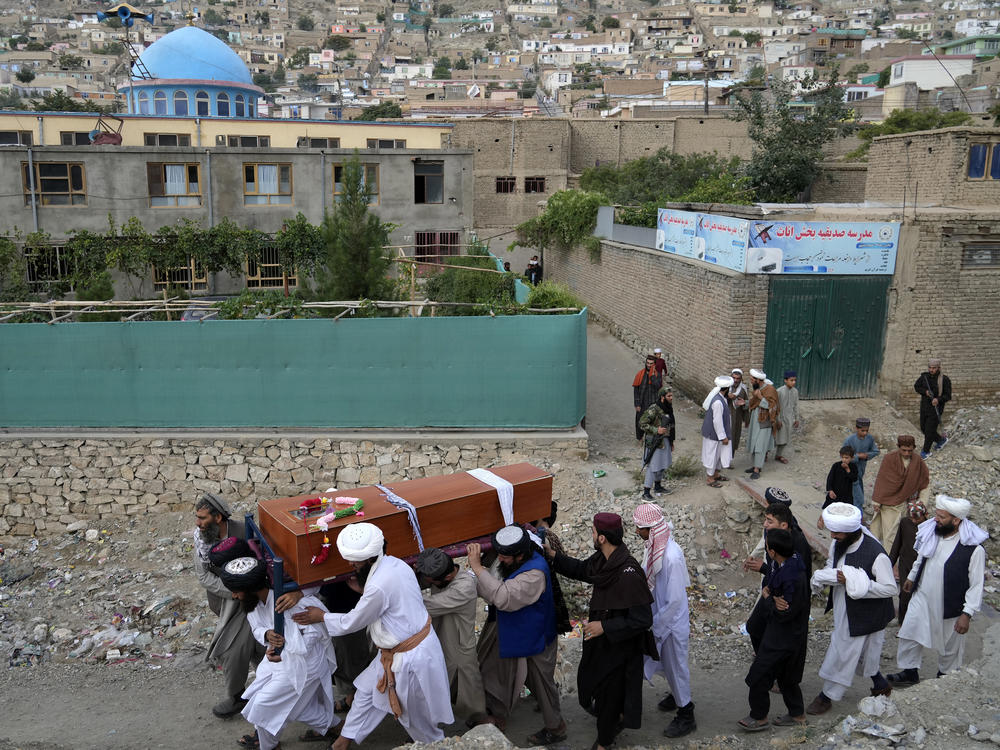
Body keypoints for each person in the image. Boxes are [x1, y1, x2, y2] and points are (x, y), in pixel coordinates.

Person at [292, 522, 453, 748]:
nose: (350, 564)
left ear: (369, 559)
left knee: (418, 722)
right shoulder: (396, 563)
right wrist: (365, 592)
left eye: (354, 561)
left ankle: (436, 745)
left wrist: (321, 617)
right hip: (398, 651)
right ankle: (343, 740)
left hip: (408, 659)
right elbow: (388, 599)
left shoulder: (378, 586)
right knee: (366, 692)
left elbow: (353, 621)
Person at [546, 513, 654, 750]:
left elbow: (642, 619)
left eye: (594, 532)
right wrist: (553, 556)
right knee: (591, 686)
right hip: (602, 642)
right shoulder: (603, 561)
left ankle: (604, 743)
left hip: (621, 648)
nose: (592, 535)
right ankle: (617, 720)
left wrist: (604, 626)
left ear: (602, 538)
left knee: (609, 695)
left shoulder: (629, 573)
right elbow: (582, 569)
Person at [193, 493, 303, 718]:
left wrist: (245, 588)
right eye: (197, 517)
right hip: (228, 603)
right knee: (245, 646)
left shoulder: (244, 532)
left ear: (218, 518)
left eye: (202, 518)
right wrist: (234, 590)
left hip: (252, 599)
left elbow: (263, 560)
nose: (198, 523)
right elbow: (204, 577)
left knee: (244, 647)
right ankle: (243, 694)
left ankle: (250, 695)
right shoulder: (201, 539)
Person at [220, 556, 339, 750]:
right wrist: (268, 635)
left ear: (250, 589)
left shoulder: (290, 601)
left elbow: (315, 634)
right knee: (299, 707)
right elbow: (257, 629)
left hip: (305, 663)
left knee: (262, 707)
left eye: (236, 592)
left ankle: (269, 746)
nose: (234, 596)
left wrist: (283, 649)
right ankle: (336, 728)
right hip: (279, 662)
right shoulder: (252, 605)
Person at [467, 525, 565, 744]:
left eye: (505, 556)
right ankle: (496, 713)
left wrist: (477, 568)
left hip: (536, 637)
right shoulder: (514, 561)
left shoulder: (534, 573)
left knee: (540, 682)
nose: (500, 560)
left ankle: (556, 727)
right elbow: (495, 586)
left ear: (520, 554)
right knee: (494, 670)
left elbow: (503, 597)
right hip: (513, 631)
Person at [806, 503, 897, 716]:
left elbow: (890, 587)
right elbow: (832, 563)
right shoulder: (839, 542)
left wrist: (859, 583)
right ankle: (880, 684)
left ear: (850, 531)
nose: (832, 535)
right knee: (865, 652)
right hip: (844, 607)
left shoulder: (876, 553)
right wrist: (827, 576)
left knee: (843, 652)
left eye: (836, 532)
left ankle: (826, 697)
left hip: (866, 613)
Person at [888, 495, 988, 685]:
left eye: (942, 517)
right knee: (909, 633)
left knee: (950, 644)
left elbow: (976, 585)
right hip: (922, 597)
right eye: (937, 515)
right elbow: (922, 556)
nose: (936, 519)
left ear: (956, 520)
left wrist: (967, 614)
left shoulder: (974, 549)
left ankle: (945, 679)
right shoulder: (933, 532)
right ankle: (909, 673)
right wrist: (911, 577)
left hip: (950, 604)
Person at [633, 504, 696, 739]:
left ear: (651, 528)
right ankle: (678, 694)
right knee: (666, 664)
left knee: (676, 666)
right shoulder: (655, 546)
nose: (637, 533)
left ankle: (686, 712)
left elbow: (676, 600)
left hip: (670, 621)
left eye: (639, 529)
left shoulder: (671, 556)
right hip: (659, 616)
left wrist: (656, 625)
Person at [740, 528, 809, 732]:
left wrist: (768, 598)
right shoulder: (791, 561)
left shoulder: (791, 579)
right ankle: (797, 714)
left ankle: (759, 717)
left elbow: (783, 612)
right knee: (787, 676)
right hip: (792, 634)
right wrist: (770, 594)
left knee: (758, 675)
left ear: (772, 552)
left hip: (782, 636)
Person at [414, 547, 488, 727]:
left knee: (468, 682)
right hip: (442, 638)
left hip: (460, 643)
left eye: (429, 580)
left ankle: (481, 722)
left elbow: (425, 606)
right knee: (443, 679)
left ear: (446, 577)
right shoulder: (442, 577)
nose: (426, 582)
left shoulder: (463, 587)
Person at [870, 435, 930, 553]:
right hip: (889, 505)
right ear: (898, 447)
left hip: (908, 506)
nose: (907, 453)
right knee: (890, 536)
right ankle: (888, 561)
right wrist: (877, 500)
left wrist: (922, 503)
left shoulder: (918, 461)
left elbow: (925, 484)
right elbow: (882, 480)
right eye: (904, 450)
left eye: (910, 450)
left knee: (906, 536)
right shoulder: (889, 459)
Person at [744, 499, 813, 583]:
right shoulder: (771, 531)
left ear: (783, 525)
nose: (765, 524)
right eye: (765, 519)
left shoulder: (798, 545)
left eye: (769, 521)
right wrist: (753, 555)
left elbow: (794, 578)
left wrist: (764, 569)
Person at [889, 500, 928, 624]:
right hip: (905, 564)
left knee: (920, 595)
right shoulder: (905, 523)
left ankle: (917, 624)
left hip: (922, 566)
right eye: (912, 519)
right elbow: (897, 543)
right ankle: (902, 623)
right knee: (905, 594)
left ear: (925, 515)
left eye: (917, 519)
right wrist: (889, 563)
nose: (915, 521)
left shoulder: (930, 527)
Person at [639, 385, 675, 499]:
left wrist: (671, 441)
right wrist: (656, 430)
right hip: (655, 441)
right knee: (653, 466)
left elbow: (672, 426)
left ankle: (658, 486)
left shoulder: (668, 407)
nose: (671, 398)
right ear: (662, 397)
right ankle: (646, 492)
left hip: (665, 441)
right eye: (669, 396)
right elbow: (642, 423)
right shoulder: (654, 409)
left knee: (662, 464)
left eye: (671, 395)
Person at [746, 369, 781, 480]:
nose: (751, 381)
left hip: (764, 421)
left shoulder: (770, 390)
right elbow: (753, 402)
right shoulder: (758, 388)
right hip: (755, 420)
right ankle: (754, 466)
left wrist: (760, 397)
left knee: (760, 446)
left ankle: (757, 469)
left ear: (758, 380)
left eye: (752, 380)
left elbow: (773, 406)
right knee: (754, 443)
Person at [914, 358, 951, 459]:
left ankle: (925, 452)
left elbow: (948, 396)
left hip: (936, 408)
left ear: (939, 368)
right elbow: (917, 387)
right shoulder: (924, 377)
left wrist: (938, 400)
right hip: (924, 407)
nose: (931, 370)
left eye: (934, 368)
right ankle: (940, 440)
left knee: (930, 430)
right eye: (930, 367)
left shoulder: (944, 380)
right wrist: (925, 392)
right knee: (923, 428)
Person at [701, 375, 734, 488]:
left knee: (718, 455)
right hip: (714, 435)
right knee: (712, 456)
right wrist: (723, 437)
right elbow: (717, 422)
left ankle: (715, 474)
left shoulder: (720, 398)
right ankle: (710, 478)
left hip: (716, 435)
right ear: (727, 388)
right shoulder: (718, 402)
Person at [841, 418, 879, 512]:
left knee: (857, 493)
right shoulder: (849, 440)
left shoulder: (869, 439)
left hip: (860, 471)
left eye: (867, 430)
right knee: (856, 496)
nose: (865, 433)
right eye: (862, 430)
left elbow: (876, 451)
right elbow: (844, 457)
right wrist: (858, 456)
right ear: (856, 428)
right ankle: (857, 516)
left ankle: (856, 514)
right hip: (850, 471)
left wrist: (866, 455)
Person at [633, 355, 663, 440]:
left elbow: (658, 386)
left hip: (653, 404)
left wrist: (652, 376)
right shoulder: (640, 374)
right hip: (642, 403)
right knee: (639, 421)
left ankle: (650, 439)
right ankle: (639, 439)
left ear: (654, 364)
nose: (649, 365)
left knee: (653, 422)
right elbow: (636, 390)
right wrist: (637, 403)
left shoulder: (658, 375)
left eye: (651, 364)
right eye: (647, 363)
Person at [773, 372, 800, 464]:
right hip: (780, 418)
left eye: (795, 380)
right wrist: (778, 420)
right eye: (791, 380)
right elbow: (776, 407)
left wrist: (796, 419)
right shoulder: (779, 391)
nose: (793, 382)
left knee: (786, 438)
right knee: (775, 437)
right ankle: (765, 454)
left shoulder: (795, 392)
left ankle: (779, 455)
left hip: (789, 418)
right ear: (785, 380)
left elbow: (796, 406)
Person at [726, 368, 751, 452]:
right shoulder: (725, 388)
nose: (735, 380)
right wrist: (728, 397)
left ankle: (729, 460)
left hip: (737, 418)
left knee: (734, 438)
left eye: (738, 378)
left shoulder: (743, 389)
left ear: (741, 379)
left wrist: (747, 420)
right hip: (726, 417)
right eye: (734, 378)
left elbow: (746, 404)